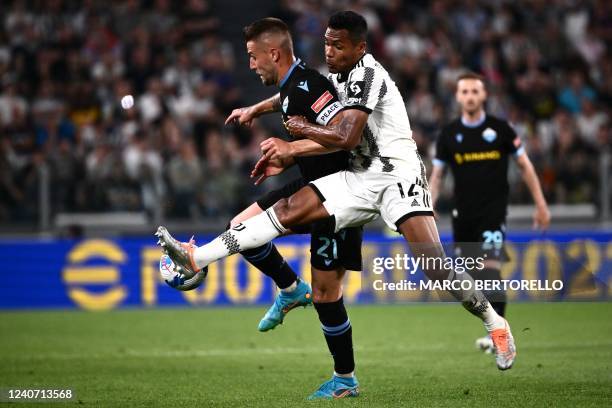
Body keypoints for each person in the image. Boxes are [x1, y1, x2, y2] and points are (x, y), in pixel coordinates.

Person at [156, 11, 517, 383]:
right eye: (327, 42)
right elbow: (293, 97)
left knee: (434, 265)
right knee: (287, 208)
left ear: (360, 48)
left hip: (397, 173)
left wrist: (296, 140)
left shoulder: (369, 75)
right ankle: (197, 257)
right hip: (356, 176)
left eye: (338, 45)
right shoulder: (338, 76)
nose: (329, 51)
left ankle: (495, 322)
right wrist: (257, 108)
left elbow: (345, 136)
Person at [222, 18, 362, 399]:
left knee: (327, 297)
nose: (250, 64)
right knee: (239, 230)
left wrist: (291, 149)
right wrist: (255, 109)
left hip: (336, 198)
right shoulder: (291, 86)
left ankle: (345, 379)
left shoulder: (311, 87)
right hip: (307, 185)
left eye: (253, 57)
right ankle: (288, 287)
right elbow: (284, 101)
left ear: (274, 53)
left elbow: (344, 139)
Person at [429, 72, 550, 352]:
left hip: (493, 213)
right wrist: (429, 203)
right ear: (458, 97)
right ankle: (497, 328)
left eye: (475, 91)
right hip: (463, 216)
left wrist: (541, 204)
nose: (470, 96)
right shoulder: (448, 135)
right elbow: (437, 176)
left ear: (483, 95)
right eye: (465, 92)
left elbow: (525, 166)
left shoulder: (501, 130)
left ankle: (501, 338)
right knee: (469, 279)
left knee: (490, 270)